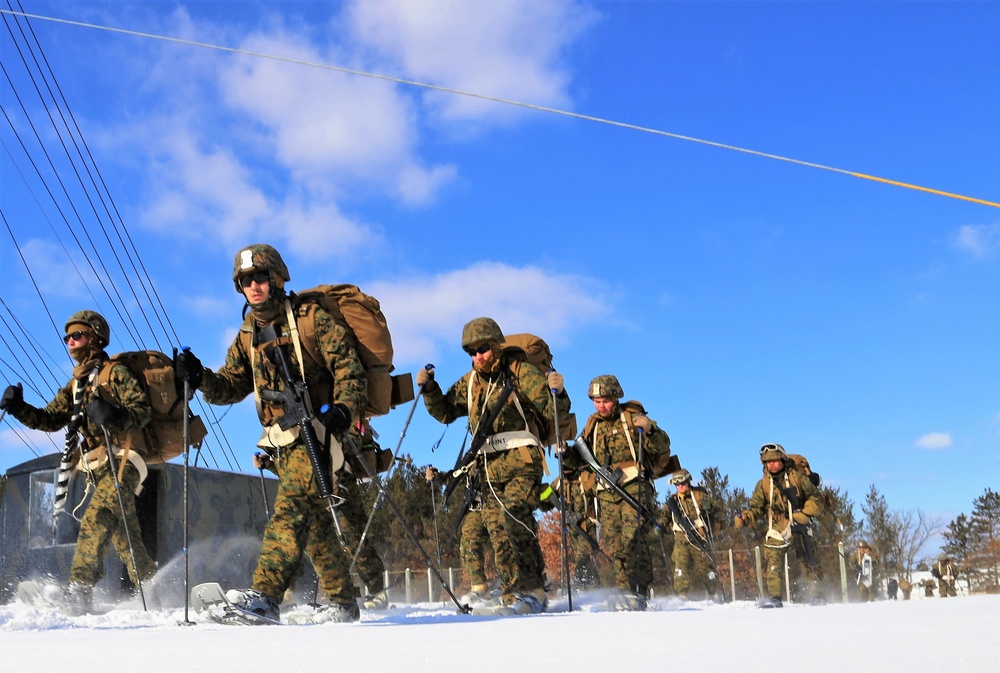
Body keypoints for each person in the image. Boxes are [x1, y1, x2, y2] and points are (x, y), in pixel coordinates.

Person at [174, 244, 367, 623]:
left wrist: (343, 408)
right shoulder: (248, 333)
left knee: (291, 509)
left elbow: (349, 367)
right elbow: (231, 386)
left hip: (320, 433)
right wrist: (199, 378)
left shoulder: (311, 319)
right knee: (310, 526)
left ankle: (265, 596)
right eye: (246, 280)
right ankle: (344, 604)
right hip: (282, 439)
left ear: (277, 278)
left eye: (260, 277)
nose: (254, 286)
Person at [1, 311, 156, 612]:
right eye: (68, 338)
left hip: (126, 458)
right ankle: (153, 586)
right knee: (125, 537)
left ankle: (80, 588)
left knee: (95, 519)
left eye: (78, 336)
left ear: (96, 338)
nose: (71, 342)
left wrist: (116, 415)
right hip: (97, 465)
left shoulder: (116, 373)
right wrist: (20, 408)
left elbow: (143, 411)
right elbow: (51, 419)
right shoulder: (76, 385)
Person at [416, 317, 569, 614]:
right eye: (471, 352)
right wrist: (431, 390)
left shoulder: (521, 373)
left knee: (513, 515)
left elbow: (554, 412)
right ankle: (514, 594)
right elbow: (446, 412)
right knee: (498, 530)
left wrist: (558, 392)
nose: (478, 357)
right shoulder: (471, 381)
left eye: (483, 349)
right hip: (486, 465)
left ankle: (532, 590)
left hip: (521, 457)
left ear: (496, 345)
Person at [563, 375, 671, 611]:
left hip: (634, 485)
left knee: (634, 538)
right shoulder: (593, 426)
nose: (601, 405)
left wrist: (650, 429)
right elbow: (579, 461)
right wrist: (564, 452)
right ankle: (624, 591)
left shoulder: (631, 418)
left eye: (605, 400)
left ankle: (639, 590)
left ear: (616, 397)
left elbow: (663, 445)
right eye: (596, 401)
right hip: (606, 491)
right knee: (615, 542)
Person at [735, 443, 823, 607]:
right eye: (768, 461)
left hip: (799, 520)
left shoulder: (797, 477)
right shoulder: (763, 484)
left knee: (807, 558)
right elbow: (756, 508)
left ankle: (817, 594)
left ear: (782, 459)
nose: (772, 464)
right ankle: (775, 597)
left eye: (775, 460)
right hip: (777, 525)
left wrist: (805, 514)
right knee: (773, 559)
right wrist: (746, 518)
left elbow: (816, 498)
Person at [425, 465, 497, 607]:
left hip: (498, 504)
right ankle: (479, 586)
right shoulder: (473, 458)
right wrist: (438, 476)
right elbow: (457, 476)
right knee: (468, 540)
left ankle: (519, 584)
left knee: (505, 541)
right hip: (477, 508)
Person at [666, 469, 718, 601]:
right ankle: (681, 598)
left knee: (707, 568)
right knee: (681, 570)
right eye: (677, 484)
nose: (680, 487)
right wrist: (659, 526)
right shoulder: (673, 501)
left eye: (683, 483)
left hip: (699, 538)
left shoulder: (699, 495)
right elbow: (664, 516)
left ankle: (714, 595)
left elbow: (716, 508)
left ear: (688, 482)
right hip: (681, 540)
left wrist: (709, 507)